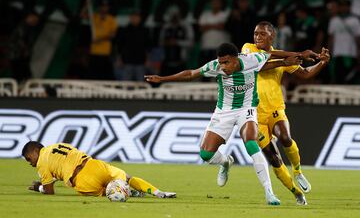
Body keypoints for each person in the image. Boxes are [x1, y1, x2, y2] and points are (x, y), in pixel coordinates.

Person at [145, 42, 313, 205]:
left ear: (236, 58)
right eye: (221, 62)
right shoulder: (215, 67)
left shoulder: (251, 60)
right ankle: (226, 162)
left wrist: (297, 56)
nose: (223, 66)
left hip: (247, 109)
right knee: (206, 154)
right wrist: (162, 78)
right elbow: (190, 74)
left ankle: (269, 193)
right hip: (224, 112)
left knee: (251, 144)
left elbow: (274, 55)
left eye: (226, 62)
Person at [241, 21, 330, 205]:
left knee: (285, 138)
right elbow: (263, 60)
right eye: (256, 33)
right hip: (254, 115)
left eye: (262, 34)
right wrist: (298, 54)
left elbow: (305, 73)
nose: (257, 37)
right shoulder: (248, 49)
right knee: (274, 159)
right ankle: (296, 192)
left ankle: (298, 171)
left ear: (272, 36)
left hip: (275, 108)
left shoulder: (284, 57)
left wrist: (321, 63)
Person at [22, 141, 176, 199]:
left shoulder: (42, 162)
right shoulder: (56, 146)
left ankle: (125, 191)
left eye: (29, 158)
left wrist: (40, 187)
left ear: (36, 150)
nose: (30, 163)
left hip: (82, 180)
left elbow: (49, 191)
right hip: (93, 164)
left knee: (109, 192)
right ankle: (158, 192)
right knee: (127, 177)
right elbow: (63, 163)